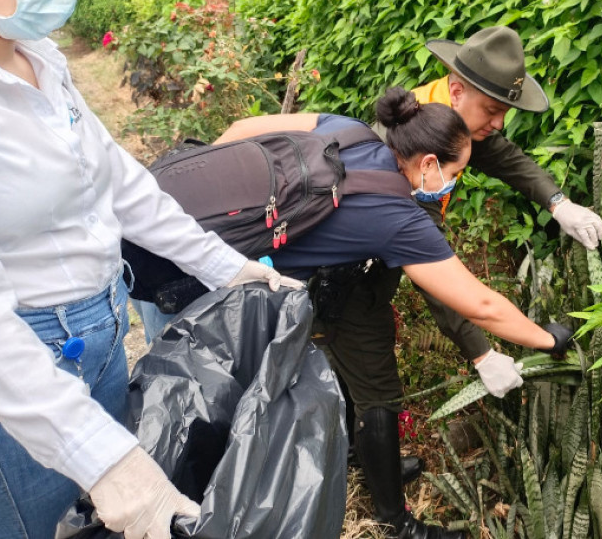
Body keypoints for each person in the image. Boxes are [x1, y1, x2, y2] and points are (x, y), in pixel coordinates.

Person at [0, 0, 299, 539]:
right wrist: (106, 459)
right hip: (13, 371)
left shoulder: (41, 61)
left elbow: (122, 184)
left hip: (97, 330)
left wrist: (228, 268)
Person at [133, 88, 573, 539]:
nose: (454, 182)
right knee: (192, 415)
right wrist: (548, 339)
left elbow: (243, 132)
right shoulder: (399, 218)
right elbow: (479, 302)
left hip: (157, 228)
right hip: (190, 287)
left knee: (183, 401)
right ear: (427, 164)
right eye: (456, 172)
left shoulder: (347, 129)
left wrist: (223, 210)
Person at [399, 25, 602, 398]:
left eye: (505, 112)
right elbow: (433, 269)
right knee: (370, 373)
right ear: (458, 91)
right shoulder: (412, 145)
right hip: (342, 265)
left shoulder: (452, 115)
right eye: (493, 111)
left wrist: (560, 205)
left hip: (376, 252)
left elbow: (507, 159)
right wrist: (481, 355)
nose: (498, 124)